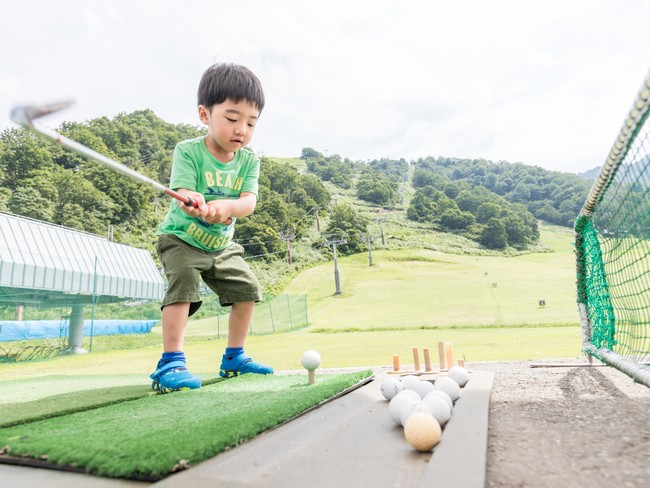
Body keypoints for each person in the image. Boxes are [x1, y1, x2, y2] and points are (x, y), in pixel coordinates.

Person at [150, 62, 273, 393]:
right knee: (184, 284)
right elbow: (183, 193)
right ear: (205, 114)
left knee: (247, 289)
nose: (241, 130)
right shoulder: (188, 151)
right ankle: (171, 362)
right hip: (182, 238)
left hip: (221, 246)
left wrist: (226, 208)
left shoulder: (249, 161)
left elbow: (248, 202)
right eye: (232, 119)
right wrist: (194, 200)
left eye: (250, 123)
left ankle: (234, 357)